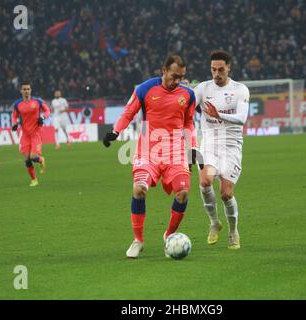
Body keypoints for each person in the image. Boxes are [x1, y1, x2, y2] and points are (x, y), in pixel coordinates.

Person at [103, 55, 198, 259]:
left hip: (176, 151)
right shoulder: (145, 89)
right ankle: (138, 240)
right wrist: (116, 131)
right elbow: (128, 113)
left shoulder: (188, 95)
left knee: (182, 193)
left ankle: (170, 235)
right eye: (174, 76)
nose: (177, 81)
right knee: (139, 189)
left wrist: (192, 151)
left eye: (181, 77)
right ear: (163, 70)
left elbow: (189, 123)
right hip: (149, 150)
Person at [193, 50, 250, 250]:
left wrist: (219, 115)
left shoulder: (240, 90)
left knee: (226, 194)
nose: (216, 74)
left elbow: (242, 118)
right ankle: (214, 222)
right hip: (209, 144)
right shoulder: (202, 89)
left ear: (229, 68)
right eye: (213, 69)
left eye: (220, 70)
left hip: (232, 146)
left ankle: (233, 231)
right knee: (205, 180)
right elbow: (185, 106)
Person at [11, 82, 51, 187]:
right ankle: (34, 180)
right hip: (25, 134)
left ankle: (41, 159)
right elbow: (14, 116)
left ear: (31, 90)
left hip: (36, 132)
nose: (26, 91)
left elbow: (47, 110)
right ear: (21, 91)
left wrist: (42, 117)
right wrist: (14, 124)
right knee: (27, 159)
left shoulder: (37, 101)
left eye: (28, 89)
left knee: (33, 157)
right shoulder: (17, 104)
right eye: (24, 89)